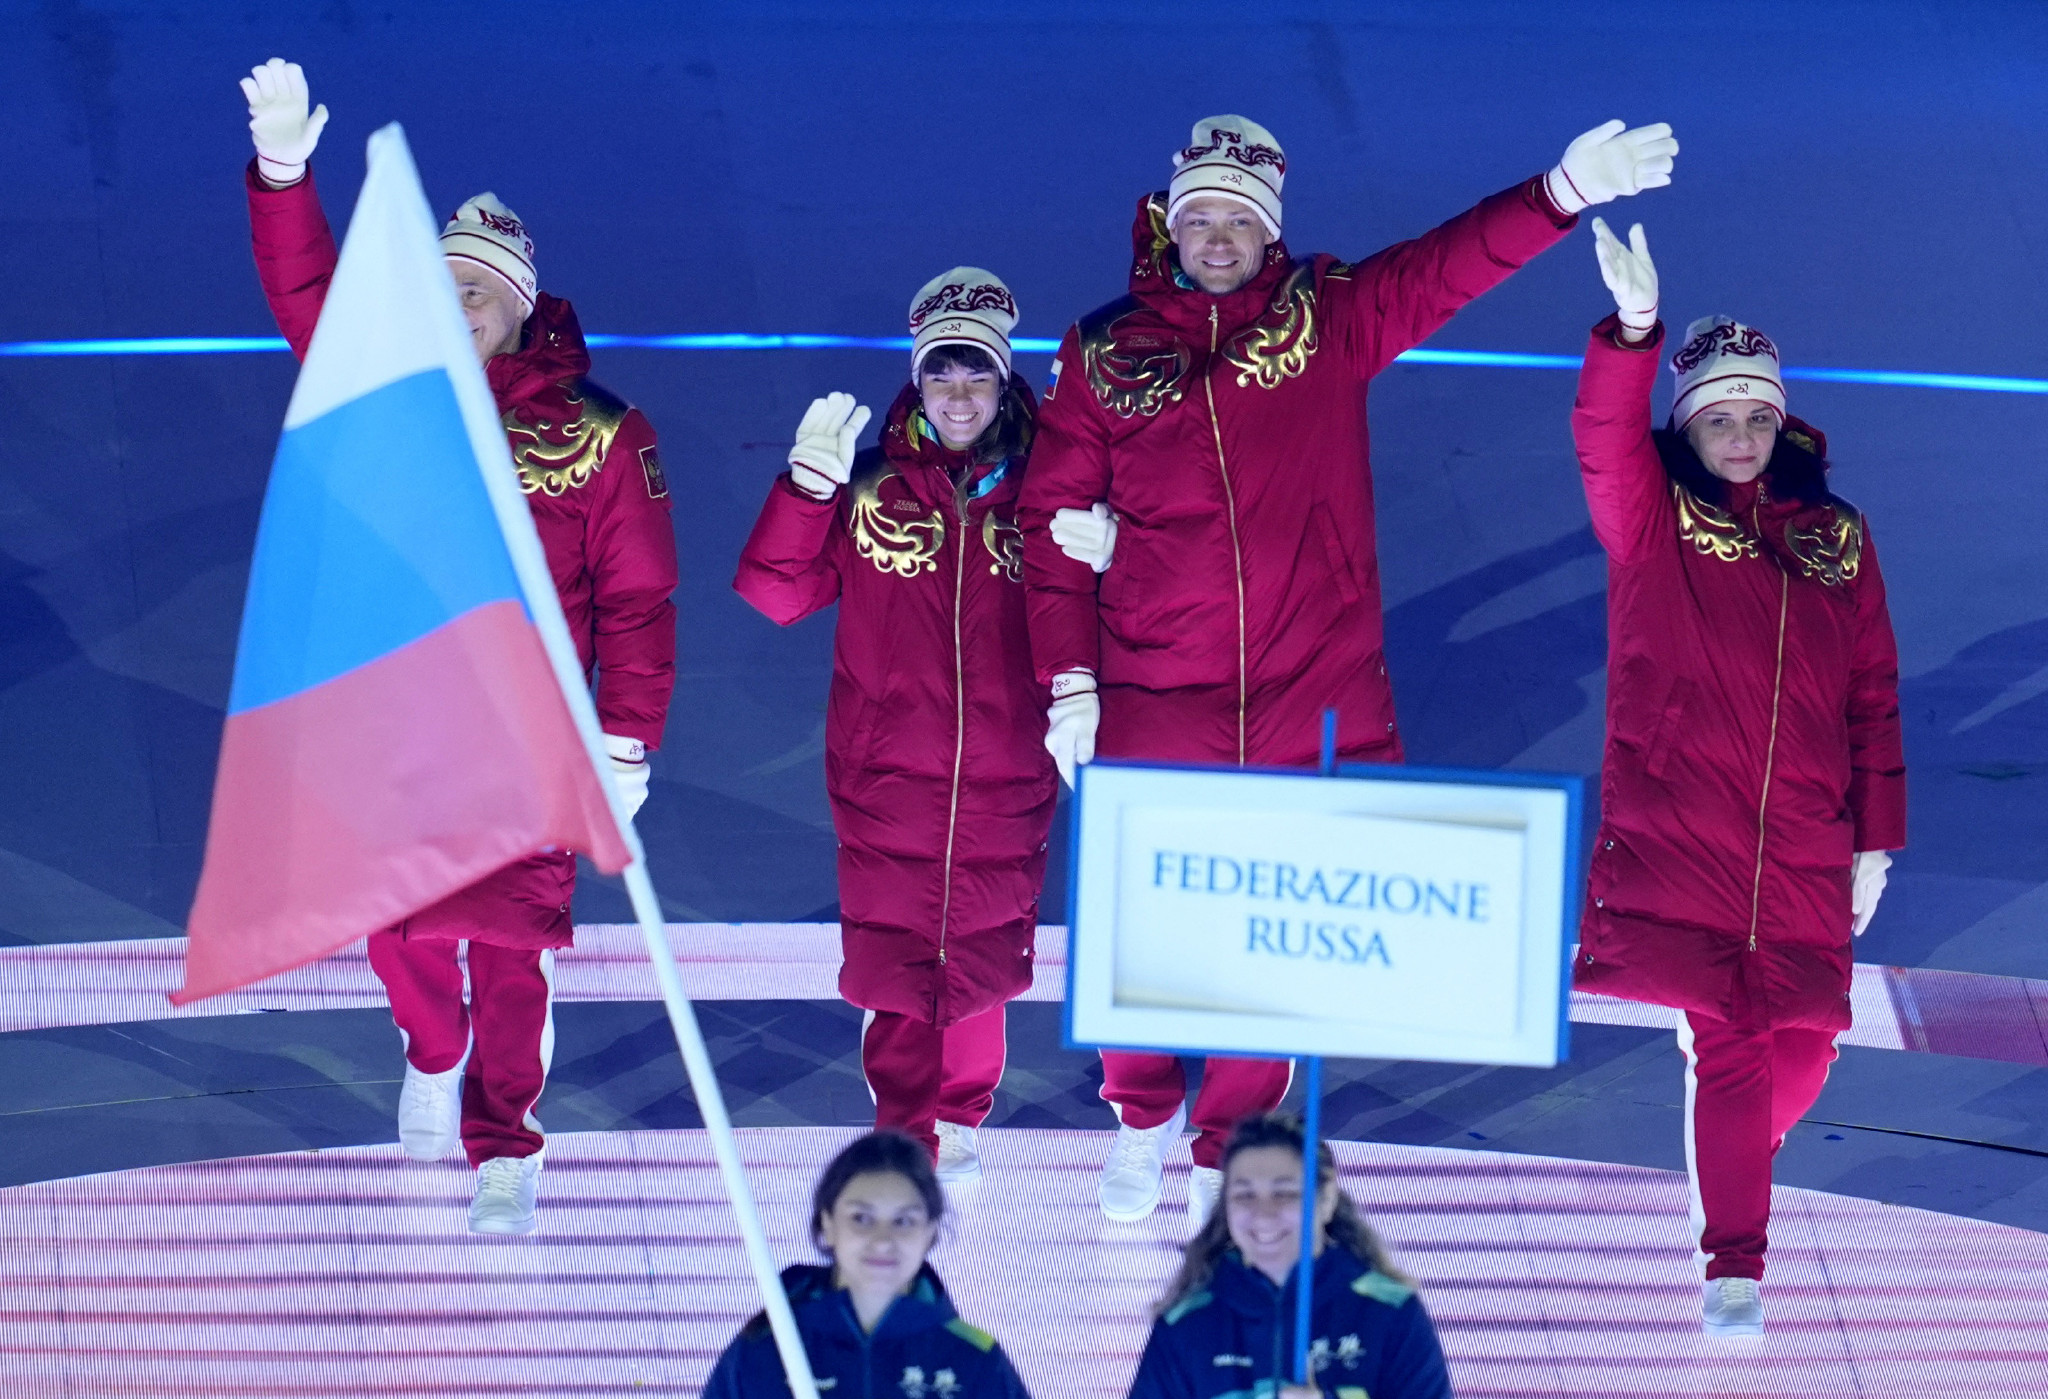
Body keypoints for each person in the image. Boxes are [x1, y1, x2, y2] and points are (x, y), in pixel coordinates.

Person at [1018, 112, 1679, 1231]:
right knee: (1142, 919)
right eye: (1199, 217)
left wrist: (1559, 190)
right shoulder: (1101, 353)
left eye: (1238, 220)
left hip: (1306, 686)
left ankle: (1228, 1144)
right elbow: (1047, 524)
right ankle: (1141, 1113)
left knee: (1269, 934)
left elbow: (1445, 266)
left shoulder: (1323, 317)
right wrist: (1070, 681)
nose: (1217, 236)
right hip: (1153, 685)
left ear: (1267, 232)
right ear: (1169, 224)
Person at [237, 59, 679, 1235]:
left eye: (477, 289)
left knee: (511, 949)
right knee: (399, 936)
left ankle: (506, 1143)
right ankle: (431, 1052)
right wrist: (283, 172)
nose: (456, 302)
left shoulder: (600, 435)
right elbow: (304, 290)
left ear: (521, 305)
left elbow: (638, 600)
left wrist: (625, 741)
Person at [1572, 218, 1906, 1336]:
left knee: (1803, 1050)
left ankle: (1730, 1157)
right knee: (1732, 1040)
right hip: (1687, 829)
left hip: (1805, 837)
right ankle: (1734, 1266)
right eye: (1718, 416)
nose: (1742, 435)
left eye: (1757, 415)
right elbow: (1600, 436)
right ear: (1686, 424)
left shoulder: (1837, 539)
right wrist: (1631, 333)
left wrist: (1875, 835)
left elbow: (1871, 691)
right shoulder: (1651, 522)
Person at [734, 270, 1056, 1185]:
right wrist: (806, 491)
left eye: (976, 373)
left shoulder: (1048, 487)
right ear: (917, 381)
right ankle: (904, 1128)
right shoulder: (868, 485)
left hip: (1007, 765)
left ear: (1003, 381)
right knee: (896, 956)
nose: (958, 395)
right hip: (886, 772)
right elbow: (775, 594)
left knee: (986, 947)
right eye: (940, 374)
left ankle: (962, 1114)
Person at [1120, 1114, 1454, 1399]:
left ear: (1326, 1200)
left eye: (1285, 1193)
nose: (1263, 1215)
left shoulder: (1389, 1313)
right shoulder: (1188, 1324)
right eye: (1245, 1195)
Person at [693, 1130, 1042, 1399]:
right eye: (861, 1218)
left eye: (903, 1221)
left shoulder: (975, 1362)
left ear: (930, 1233)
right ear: (828, 1224)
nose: (882, 1240)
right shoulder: (765, 1353)